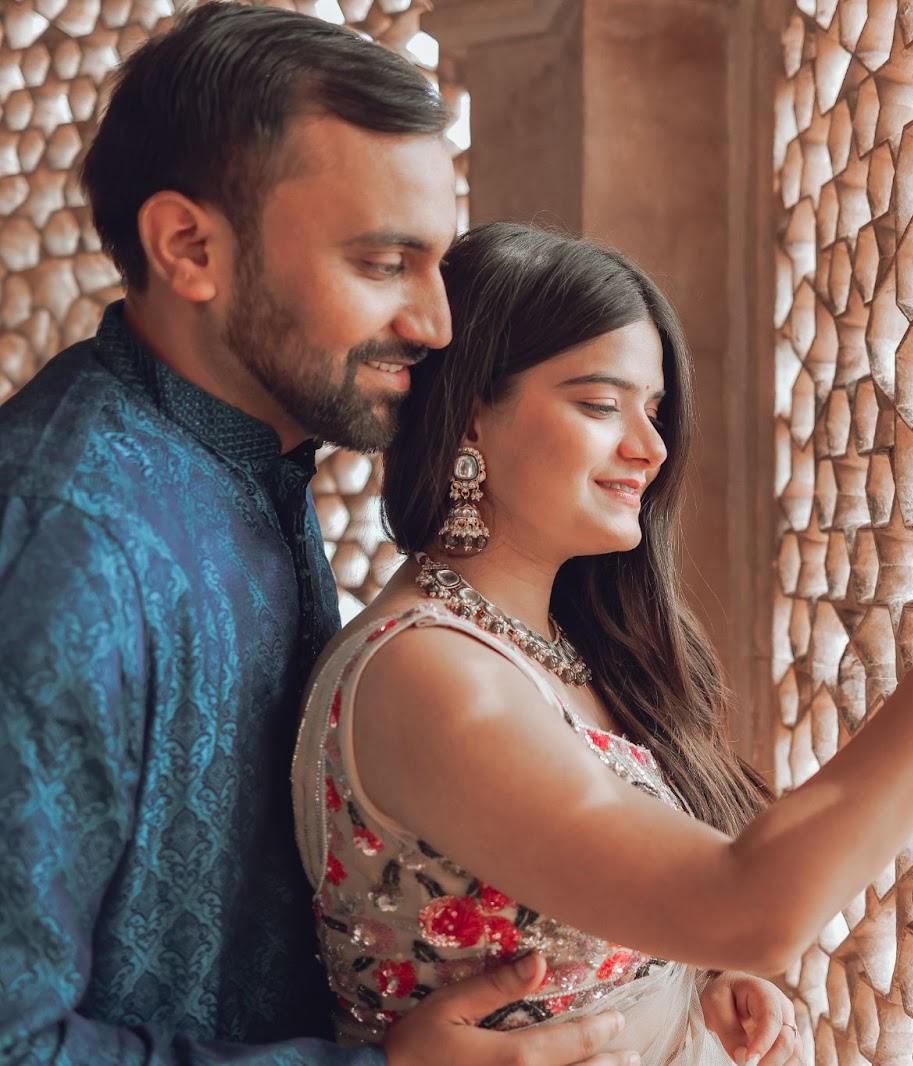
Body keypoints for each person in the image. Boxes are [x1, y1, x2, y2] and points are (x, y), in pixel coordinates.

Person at [291, 222, 913, 1064]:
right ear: (472, 420)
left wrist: (669, 978)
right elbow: (754, 911)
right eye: (600, 404)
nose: (651, 447)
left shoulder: (545, 645)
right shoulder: (431, 674)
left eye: (654, 410)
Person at [0, 6, 633, 1063]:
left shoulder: (257, 462)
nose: (435, 324)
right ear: (189, 247)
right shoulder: (65, 550)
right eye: (385, 263)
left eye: (437, 265)